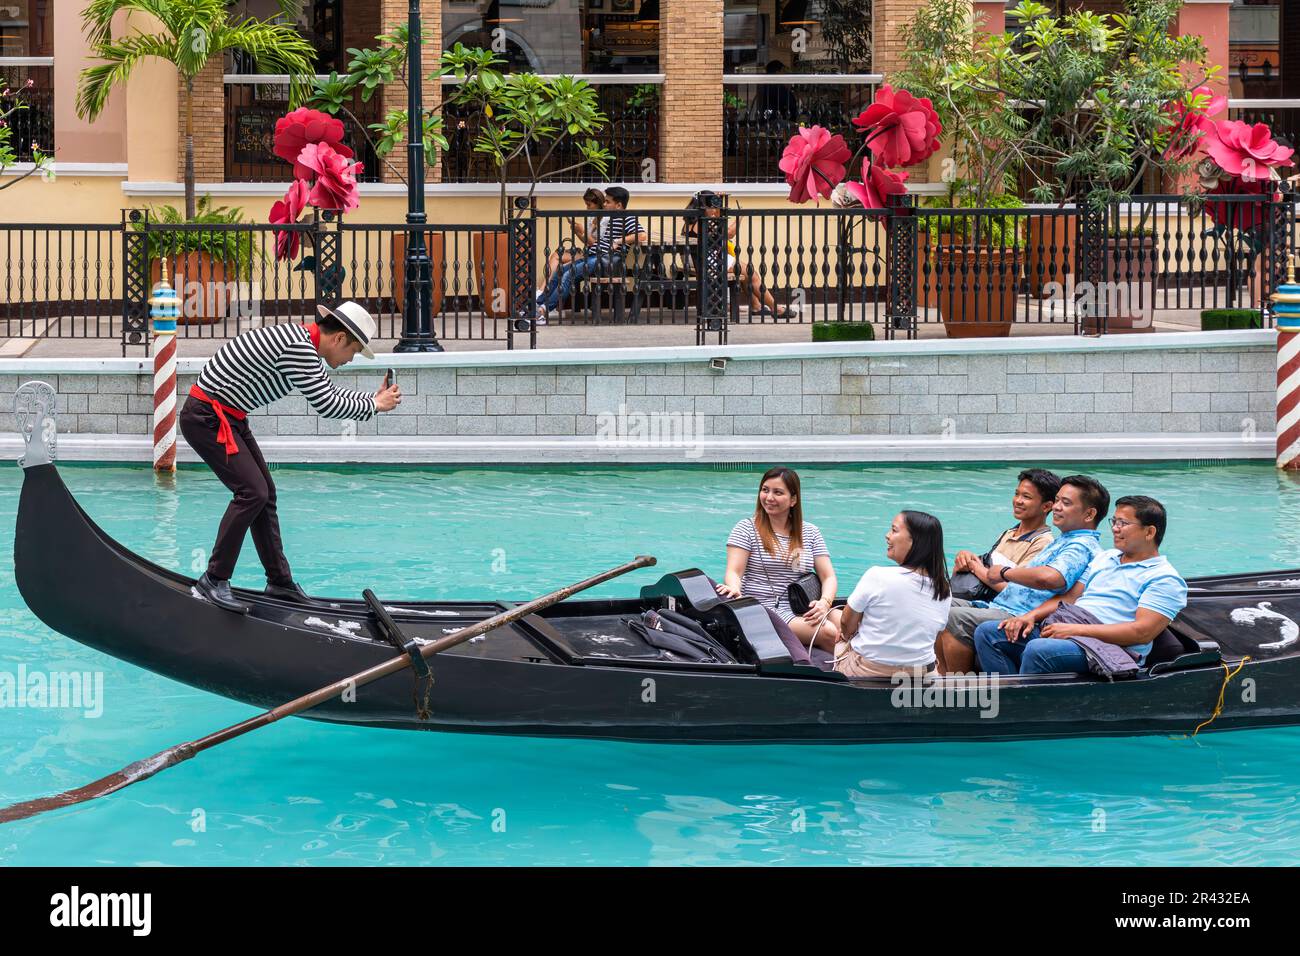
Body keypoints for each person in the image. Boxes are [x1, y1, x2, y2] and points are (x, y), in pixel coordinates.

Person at [179, 302, 401, 614]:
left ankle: (280, 583)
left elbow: (327, 391)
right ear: (338, 339)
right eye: (353, 351)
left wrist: (372, 400)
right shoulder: (299, 348)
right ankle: (214, 579)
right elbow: (326, 404)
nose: (350, 359)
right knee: (252, 492)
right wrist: (375, 406)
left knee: (264, 494)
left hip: (227, 417)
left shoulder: (302, 343)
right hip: (207, 418)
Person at [974, 496, 1188, 675]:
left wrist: (1075, 630)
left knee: (1039, 649)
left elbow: (1141, 633)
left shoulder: (1164, 579)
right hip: (1071, 626)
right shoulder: (1107, 557)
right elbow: (1070, 598)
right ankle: (1010, 699)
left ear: (1149, 532)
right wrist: (1029, 616)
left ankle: (1023, 708)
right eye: (1114, 521)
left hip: (1112, 648)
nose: (1115, 528)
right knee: (989, 633)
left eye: (1123, 523)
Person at [936, 475, 1109, 674]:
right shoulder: (1063, 541)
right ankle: (941, 677)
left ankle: (957, 688)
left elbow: (1051, 578)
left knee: (952, 617)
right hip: (1001, 605)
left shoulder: (1080, 546)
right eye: (1058, 500)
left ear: (1089, 514)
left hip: (1019, 613)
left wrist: (1004, 573)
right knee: (934, 605)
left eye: (1066, 503)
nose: (1057, 507)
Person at [717, 467, 842, 652]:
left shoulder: (810, 532)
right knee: (829, 632)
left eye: (778, 492)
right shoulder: (746, 528)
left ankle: (865, 665)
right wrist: (734, 588)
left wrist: (824, 603)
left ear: (793, 499)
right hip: (764, 608)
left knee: (852, 624)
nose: (769, 497)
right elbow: (734, 571)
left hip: (801, 604)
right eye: (765, 490)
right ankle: (846, 672)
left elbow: (828, 576)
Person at [835, 511, 952, 679]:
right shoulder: (944, 589)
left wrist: (846, 635)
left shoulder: (877, 575)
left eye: (894, 530)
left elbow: (847, 625)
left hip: (868, 672)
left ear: (915, 541)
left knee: (836, 629)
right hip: (923, 675)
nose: (887, 536)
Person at [537, 185, 646, 323]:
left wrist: (617, 241)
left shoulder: (627, 218)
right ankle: (538, 304)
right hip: (595, 256)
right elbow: (596, 242)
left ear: (618, 205)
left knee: (568, 275)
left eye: (607, 202)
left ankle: (542, 311)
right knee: (560, 271)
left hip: (606, 259)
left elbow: (642, 235)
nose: (604, 204)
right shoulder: (610, 218)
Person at [685, 191, 799, 318]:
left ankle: (756, 306)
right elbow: (729, 234)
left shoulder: (692, 221)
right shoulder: (704, 222)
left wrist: (718, 202)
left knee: (745, 271)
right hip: (707, 260)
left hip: (697, 258)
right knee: (750, 272)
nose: (714, 210)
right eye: (712, 205)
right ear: (704, 207)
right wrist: (739, 217)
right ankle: (775, 308)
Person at [545, 187, 605, 279]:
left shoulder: (605, 219)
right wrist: (577, 231)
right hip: (587, 252)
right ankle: (544, 287)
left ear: (598, 204)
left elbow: (596, 244)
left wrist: (583, 231)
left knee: (563, 271)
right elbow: (586, 241)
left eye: (589, 205)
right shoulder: (591, 217)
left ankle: (545, 288)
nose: (587, 208)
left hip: (594, 255)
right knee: (556, 256)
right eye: (586, 205)